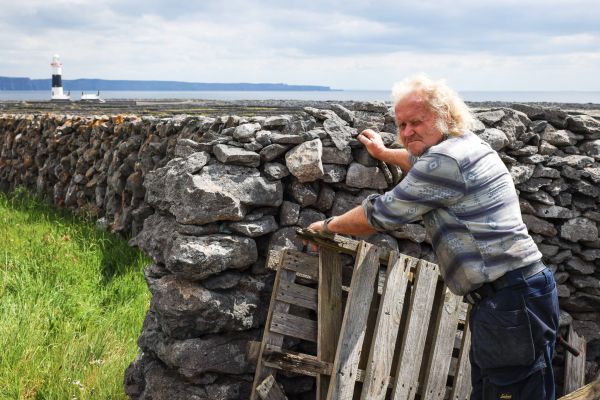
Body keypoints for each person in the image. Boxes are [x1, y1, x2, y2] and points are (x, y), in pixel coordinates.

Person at [308, 75, 560, 400]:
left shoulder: (446, 161)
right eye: (401, 124)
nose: (408, 131)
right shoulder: (466, 145)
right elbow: (417, 161)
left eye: (416, 121)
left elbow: (380, 214)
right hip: (521, 294)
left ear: (444, 116)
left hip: (509, 302)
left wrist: (327, 227)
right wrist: (385, 153)